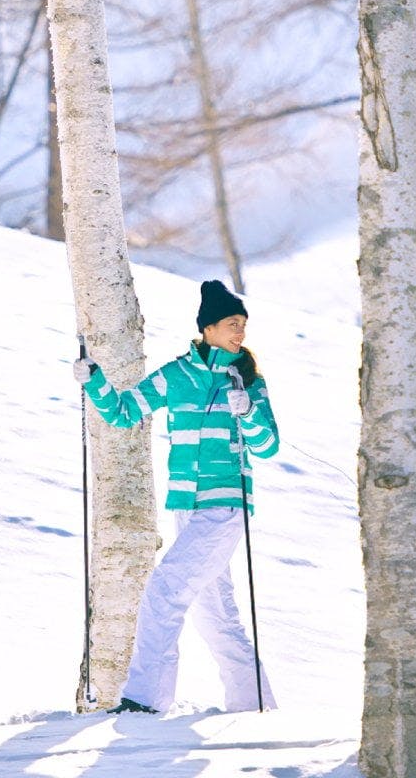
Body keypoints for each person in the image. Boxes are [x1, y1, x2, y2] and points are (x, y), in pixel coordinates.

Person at [73, 279, 279, 715]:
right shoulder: (176, 375)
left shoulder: (247, 382)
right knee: (216, 616)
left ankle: (146, 700)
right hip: (186, 507)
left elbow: (268, 445)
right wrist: (94, 381)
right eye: (231, 323)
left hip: (225, 508)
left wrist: (249, 412)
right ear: (208, 328)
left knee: (165, 592)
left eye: (242, 324)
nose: (239, 332)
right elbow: (125, 411)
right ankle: (255, 706)